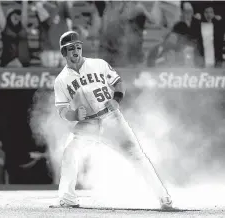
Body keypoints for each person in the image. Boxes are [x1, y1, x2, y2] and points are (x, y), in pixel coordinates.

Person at [54, 31, 173, 209]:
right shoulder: (61, 80)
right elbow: (62, 110)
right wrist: (74, 116)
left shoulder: (98, 64)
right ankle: (68, 199)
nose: (75, 51)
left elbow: (118, 83)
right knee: (70, 153)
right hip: (87, 124)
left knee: (136, 156)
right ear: (64, 52)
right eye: (71, 48)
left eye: (78, 47)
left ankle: (163, 197)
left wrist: (116, 100)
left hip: (111, 118)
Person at [0, 0, 30, 67]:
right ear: (9, 16)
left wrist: (25, 2)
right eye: (13, 14)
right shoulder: (5, 27)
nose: (16, 16)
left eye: (18, 14)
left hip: (24, 62)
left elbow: (25, 11)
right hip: (8, 62)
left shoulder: (23, 26)